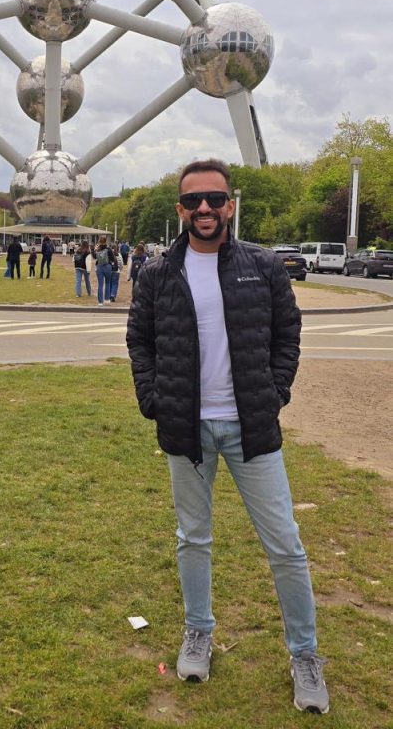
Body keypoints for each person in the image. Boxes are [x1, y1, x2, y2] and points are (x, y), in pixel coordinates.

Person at [126, 158, 329, 715]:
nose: (205, 210)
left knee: (285, 545)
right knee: (193, 538)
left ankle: (305, 656)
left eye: (215, 199)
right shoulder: (158, 273)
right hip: (186, 430)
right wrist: (154, 399)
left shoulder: (261, 267)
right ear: (180, 210)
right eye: (194, 201)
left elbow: (288, 333)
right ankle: (199, 631)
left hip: (250, 428)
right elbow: (139, 339)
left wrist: (275, 392)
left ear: (230, 205)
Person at [94, 235, 113, 306]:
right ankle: (107, 299)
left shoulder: (98, 248)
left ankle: (100, 302)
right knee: (108, 283)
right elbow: (113, 258)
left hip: (99, 267)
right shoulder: (108, 249)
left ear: (99, 241)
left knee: (100, 284)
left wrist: (95, 249)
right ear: (106, 241)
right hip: (108, 266)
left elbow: (94, 256)